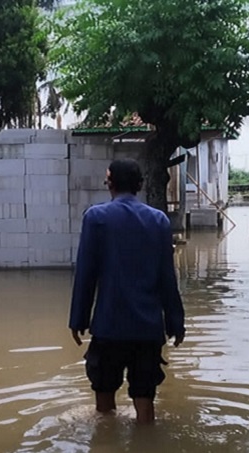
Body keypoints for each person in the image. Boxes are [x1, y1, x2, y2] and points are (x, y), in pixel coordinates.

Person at [69, 158, 186, 424]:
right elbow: (168, 277)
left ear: (108, 182)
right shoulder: (158, 220)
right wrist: (176, 323)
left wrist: (78, 320)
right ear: (140, 185)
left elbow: (86, 275)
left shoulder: (96, 218)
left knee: (104, 400)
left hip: (109, 327)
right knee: (145, 401)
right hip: (147, 329)